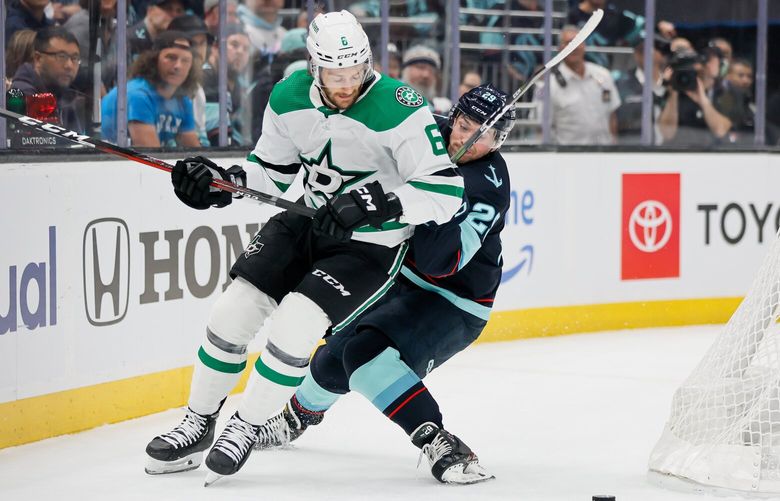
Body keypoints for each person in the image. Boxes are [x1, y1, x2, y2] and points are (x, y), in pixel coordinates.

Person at [143, 10, 463, 484]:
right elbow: (271, 172)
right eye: (336, 74)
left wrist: (383, 202)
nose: (346, 84)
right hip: (305, 222)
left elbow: (446, 191)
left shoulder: (401, 105)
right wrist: (223, 182)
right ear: (314, 66)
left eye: (355, 72)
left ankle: (245, 426)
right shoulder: (289, 95)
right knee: (231, 312)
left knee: (295, 325)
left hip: (369, 247)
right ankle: (199, 420)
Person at [249, 84, 516, 485]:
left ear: (499, 140)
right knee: (331, 356)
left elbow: (438, 262)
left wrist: (434, 194)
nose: (466, 140)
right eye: (463, 125)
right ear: (453, 115)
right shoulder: (425, 134)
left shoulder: (487, 185)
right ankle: (294, 418)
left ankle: (439, 441)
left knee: (364, 355)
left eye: (484, 134)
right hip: (398, 278)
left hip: (453, 300)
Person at [101, 30, 201, 147]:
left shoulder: (183, 101)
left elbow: (194, 151)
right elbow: (152, 157)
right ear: (154, 59)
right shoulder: (138, 95)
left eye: (185, 61)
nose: (178, 66)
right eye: (171, 58)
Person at [536, 24, 620, 145]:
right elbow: (543, 129)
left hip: (604, 154)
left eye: (578, 41)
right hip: (568, 157)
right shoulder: (549, 86)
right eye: (568, 43)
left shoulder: (604, 75)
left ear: (584, 46)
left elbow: (612, 116)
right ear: (559, 48)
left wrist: (614, 147)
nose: (574, 47)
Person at [11, 27, 86, 133]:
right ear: (38, 58)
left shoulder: (65, 96)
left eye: (74, 58)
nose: (69, 65)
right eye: (61, 56)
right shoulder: (21, 94)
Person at [658, 47, 732, 147]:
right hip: (677, 153)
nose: (709, 66)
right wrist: (674, 93)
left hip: (710, 154)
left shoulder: (722, 93)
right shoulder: (673, 93)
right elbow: (667, 133)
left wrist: (703, 101)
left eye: (713, 62)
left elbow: (721, 131)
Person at [401, 45, 452, 114]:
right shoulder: (392, 97)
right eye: (421, 67)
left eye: (431, 71)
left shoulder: (440, 107)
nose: (426, 75)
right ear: (406, 70)